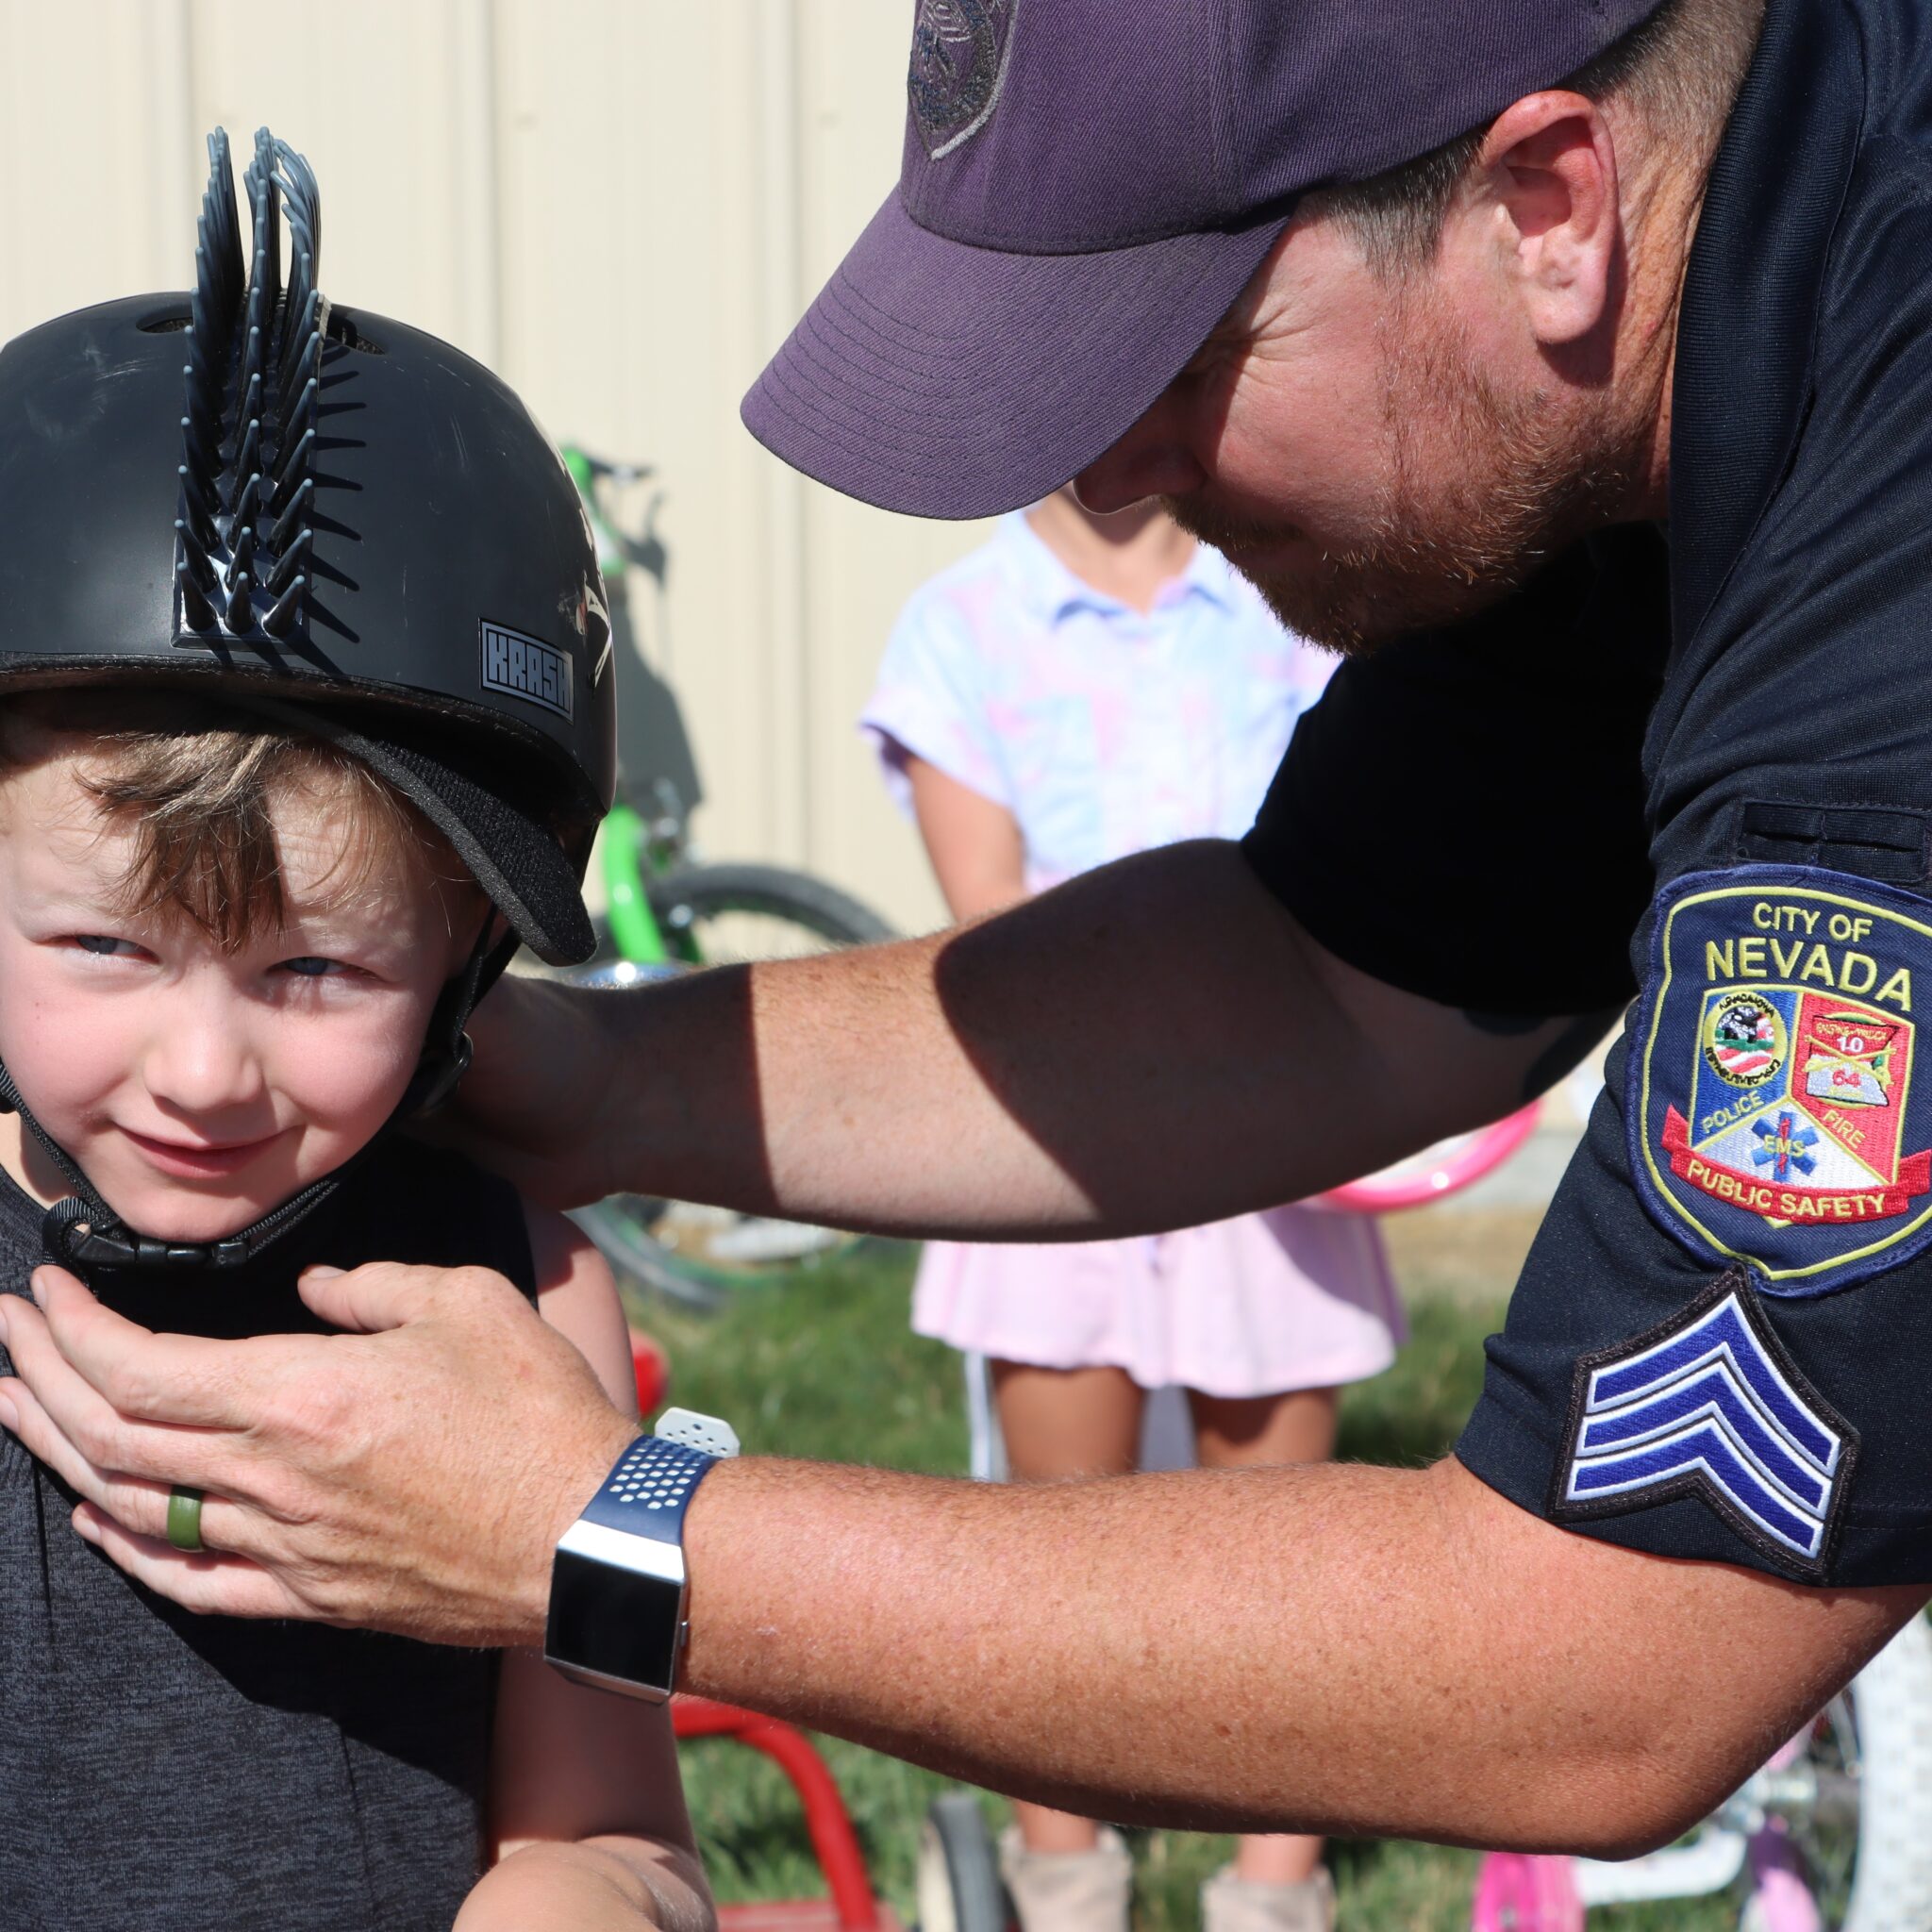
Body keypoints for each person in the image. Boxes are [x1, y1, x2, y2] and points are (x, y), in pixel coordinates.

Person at [7, 0, 1931, 1865]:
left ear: (1549, 204)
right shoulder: (1636, 418)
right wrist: (584, 1075)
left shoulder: (1889, 608)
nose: (1099, 475)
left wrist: (606, 1526)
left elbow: (1610, 1648)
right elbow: (1341, 982)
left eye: (1172, 365)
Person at [0, 131, 707, 1932]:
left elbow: (620, 1833)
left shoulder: (530, 1305)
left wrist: (585, 1899)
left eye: (317, 973)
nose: (203, 1070)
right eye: (100, 946)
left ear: (469, 953)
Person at [863, 489, 1399, 1932]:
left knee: (1284, 1552)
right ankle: (1065, 1881)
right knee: (1057, 1545)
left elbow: (1372, 855)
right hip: (1059, 1141)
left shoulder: (1297, 603)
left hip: (1279, 1135)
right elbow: (989, 916)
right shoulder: (961, 629)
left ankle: (1272, 1890)